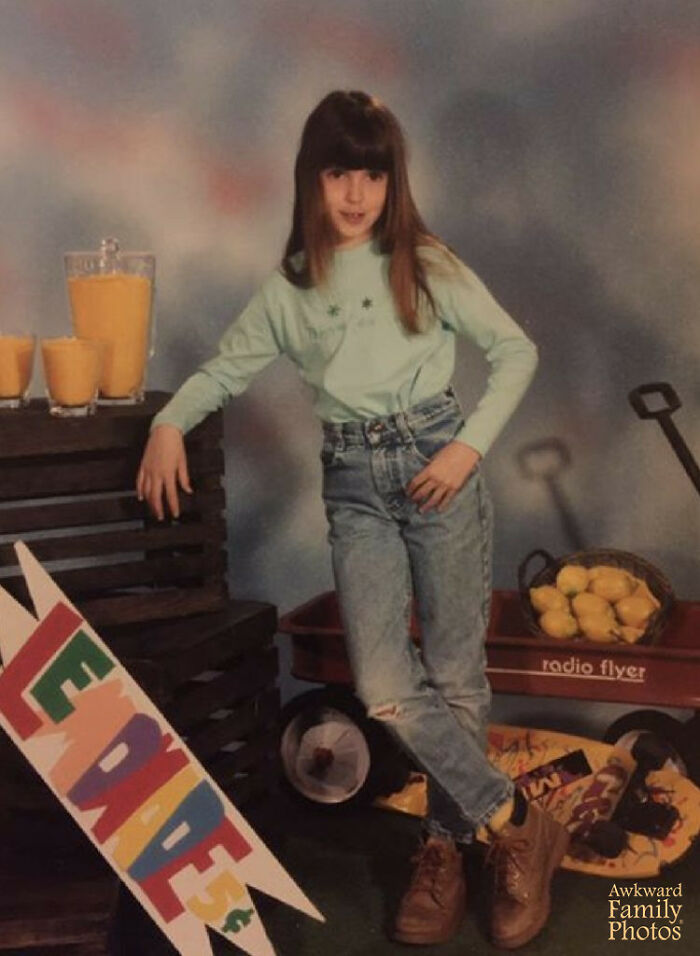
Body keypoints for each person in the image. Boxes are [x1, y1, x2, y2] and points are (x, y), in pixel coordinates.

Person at [137, 90, 568, 949]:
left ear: (391, 179)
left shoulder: (424, 261)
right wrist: (166, 422)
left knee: (453, 674)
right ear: (312, 179)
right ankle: (517, 819)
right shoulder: (291, 289)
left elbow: (516, 351)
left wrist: (468, 449)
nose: (356, 193)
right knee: (384, 685)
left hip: (440, 461)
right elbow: (224, 370)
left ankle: (450, 848)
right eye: (339, 172)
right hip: (355, 487)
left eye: (371, 174)